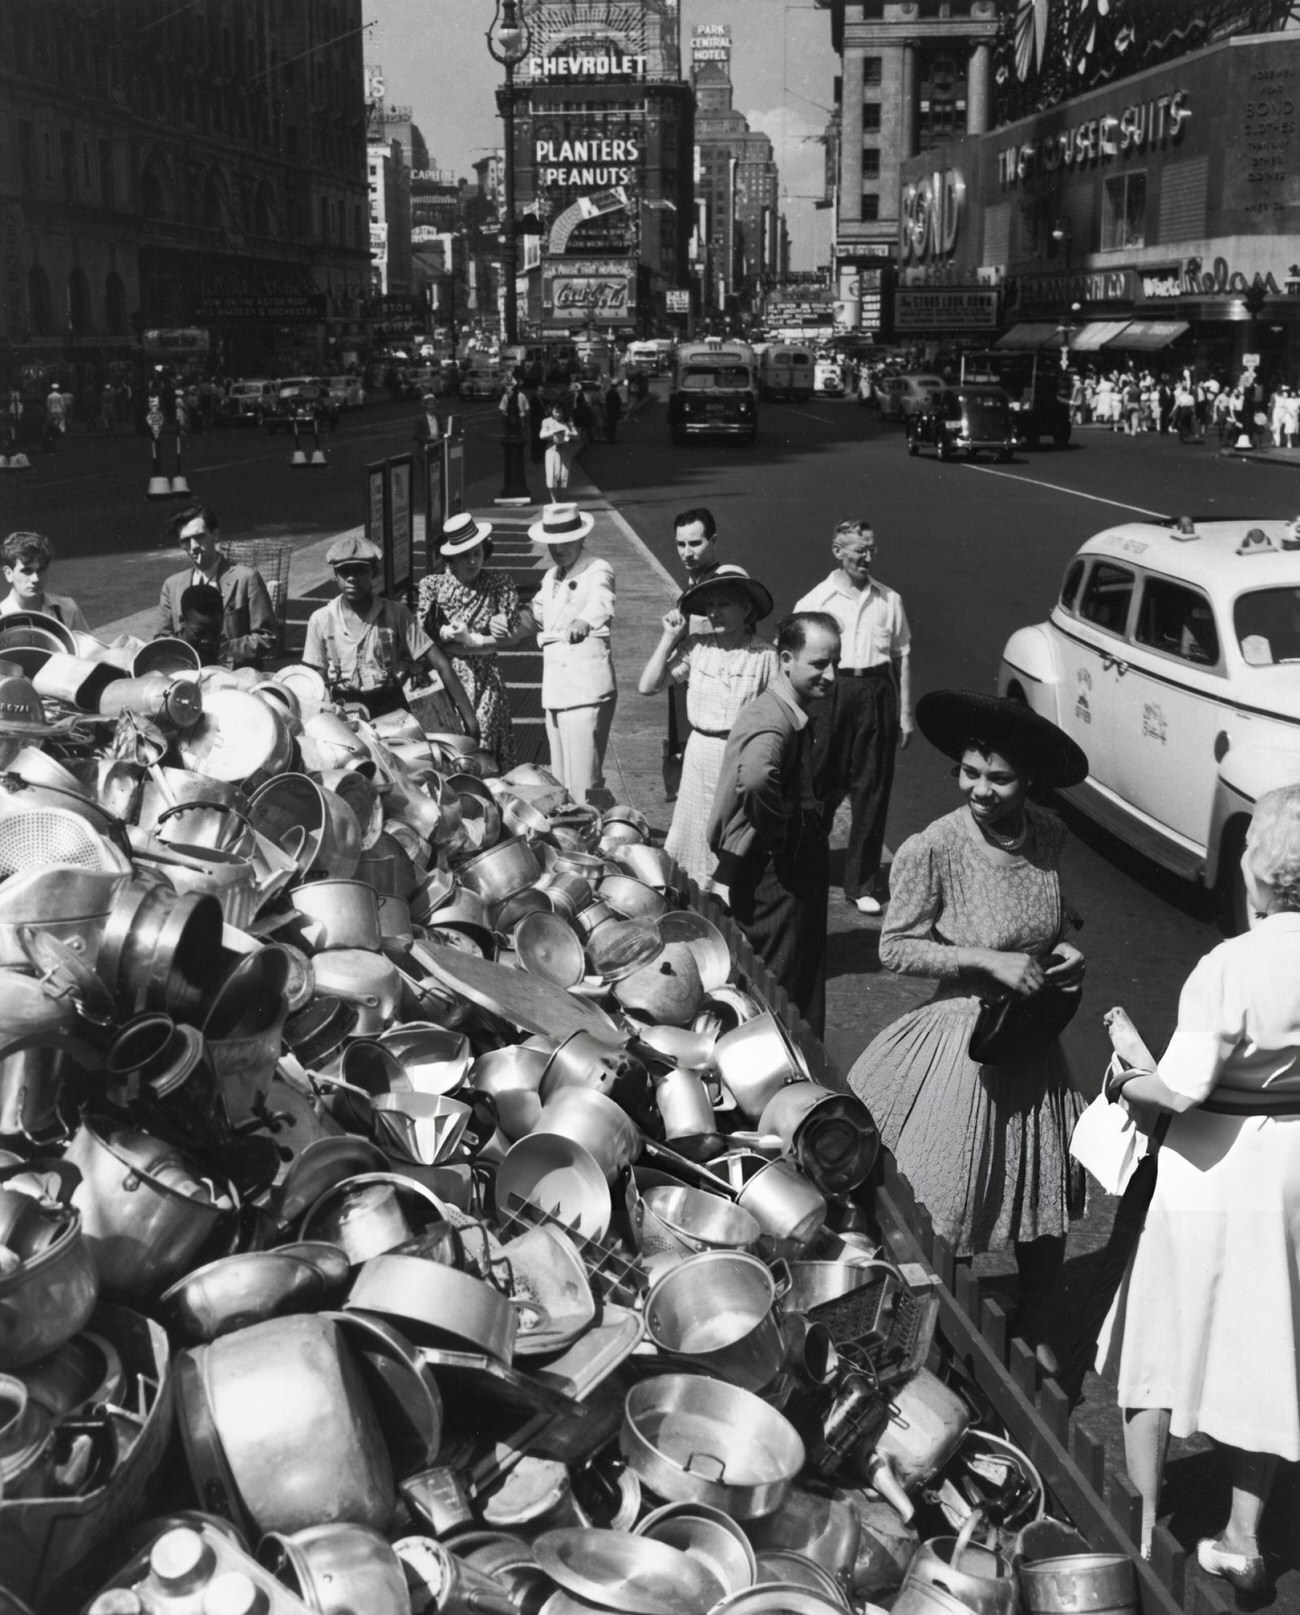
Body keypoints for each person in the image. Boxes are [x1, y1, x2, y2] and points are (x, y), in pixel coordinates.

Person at [1097, 784, 1300, 1586]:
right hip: (1292, 1165)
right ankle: (1245, 1538)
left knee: (1161, 1327)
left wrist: (1123, 1074)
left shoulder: (1231, 966)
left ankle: (1145, 1526)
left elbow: (1177, 1090)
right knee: (1268, 1336)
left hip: (1212, 1162)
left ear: (1261, 868)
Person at [847, 691, 1089, 1359]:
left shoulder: (1048, 834)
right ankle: (919, 1342)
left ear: (1029, 780)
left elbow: (1050, 914)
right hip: (962, 1042)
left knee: (1042, 1196)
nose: (980, 789)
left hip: (1029, 1038)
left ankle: (1033, 1338)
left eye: (998, 777)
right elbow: (896, 946)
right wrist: (989, 959)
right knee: (948, 1197)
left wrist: (1059, 951)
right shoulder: (935, 847)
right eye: (969, 772)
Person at [707, 612, 840, 1037]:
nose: (830, 674)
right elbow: (758, 777)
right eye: (819, 664)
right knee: (782, 981)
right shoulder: (774, 720)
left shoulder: (783, 710)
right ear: (786, 659)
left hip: (775, 864)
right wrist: (779, 831)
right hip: (776, 870)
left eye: (834, 662)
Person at [795, 518, 913, 916]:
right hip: (830, 694)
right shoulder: (816, 601)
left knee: (872, 788)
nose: (866, 557)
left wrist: (904, 713)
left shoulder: (889, 600)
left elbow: (902, 657)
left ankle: (861, 882)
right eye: (859, 550)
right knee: (819, 783)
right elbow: (795, 664)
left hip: (877, 693)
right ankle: (806, 866)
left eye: (871, 549)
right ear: (838, 551)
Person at [638, 565, 778, 890]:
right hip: (699, 752)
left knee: (729, 833)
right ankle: (689, 900)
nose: (715, 611)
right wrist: (669, 637)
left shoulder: (765, 657)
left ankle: (725, 902)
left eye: (724, 604)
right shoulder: (697, 648)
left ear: (747, 609)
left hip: (739, 756)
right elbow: (648, 685)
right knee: (691, 831)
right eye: (711, 605)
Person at [303, 534, 478, 732]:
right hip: (344, 711)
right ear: (335, 574)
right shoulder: (321, 619)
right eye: (344, 571)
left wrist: (470, 719)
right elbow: (315, 683)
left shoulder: (396, 614)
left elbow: (440, 663)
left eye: (360, 570)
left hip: (392, 710)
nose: (352, 578)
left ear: (374, 572)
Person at [417, 512, 527, 771]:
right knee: (451, 744)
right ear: (451, 558)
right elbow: (422, 637)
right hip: (447, 676)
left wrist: (475, 639)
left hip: (486, 677)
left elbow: (510, 637)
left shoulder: (500, 584)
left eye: (477, 552)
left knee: (485, 739)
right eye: (464, 555)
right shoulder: (432, 585)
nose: (472, 560)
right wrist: (443, 634)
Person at [528, 503, 615, 807]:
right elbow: (534, 614)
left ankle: (596, 839)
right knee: (561, 785)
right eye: (554, 542)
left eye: (567, 540)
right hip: (556, 691)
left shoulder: (597, 568)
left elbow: (602, 601)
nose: (560, 548)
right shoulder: (551, 576)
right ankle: (573, 841)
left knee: (585, 784)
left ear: (582, 538)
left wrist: (584, 621)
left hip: (585, 691)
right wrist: (498, 625)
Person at [154, 504, 277, 669]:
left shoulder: (246, 578)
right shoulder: (172, 585)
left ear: (215, 535)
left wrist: (227, 649)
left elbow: (268, 638)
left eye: (199, 537)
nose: (194, 546)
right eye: (185, 541)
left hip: (235, 677)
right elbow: (161, 640)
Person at [0, 530, 90, 632]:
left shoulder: (67, 609)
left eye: (41, 569)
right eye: (26, 571)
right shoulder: (2, 616)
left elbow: (88, 647)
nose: (35, 579)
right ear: (8, 573)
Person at [175, 583, 226, 665]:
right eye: (198, 633)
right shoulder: (168, 654)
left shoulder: (224, 646)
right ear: (182, 621)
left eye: (215, 633)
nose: (207, 641)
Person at [539, 403, 577, 503]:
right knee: (552, 475)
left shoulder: (568, 422)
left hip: (565, 449)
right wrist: (552, 433)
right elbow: (541, 435)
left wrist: (569, 433)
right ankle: (554, 500)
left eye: (560, 412)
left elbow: (577, 435)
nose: (558, 414)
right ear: (552, 411)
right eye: (556, 411)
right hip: (552, 449)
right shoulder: (546, 421)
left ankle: (563, 500)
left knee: (564, 475)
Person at [603, 379, 623, 444]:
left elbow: (607, 402)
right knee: (613, 427)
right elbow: (619, 402)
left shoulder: (608, 393)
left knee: (610, 426)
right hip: (614, 412)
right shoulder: (615, 393)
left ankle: (610, 439)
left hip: (609, 411)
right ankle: (612, 440)